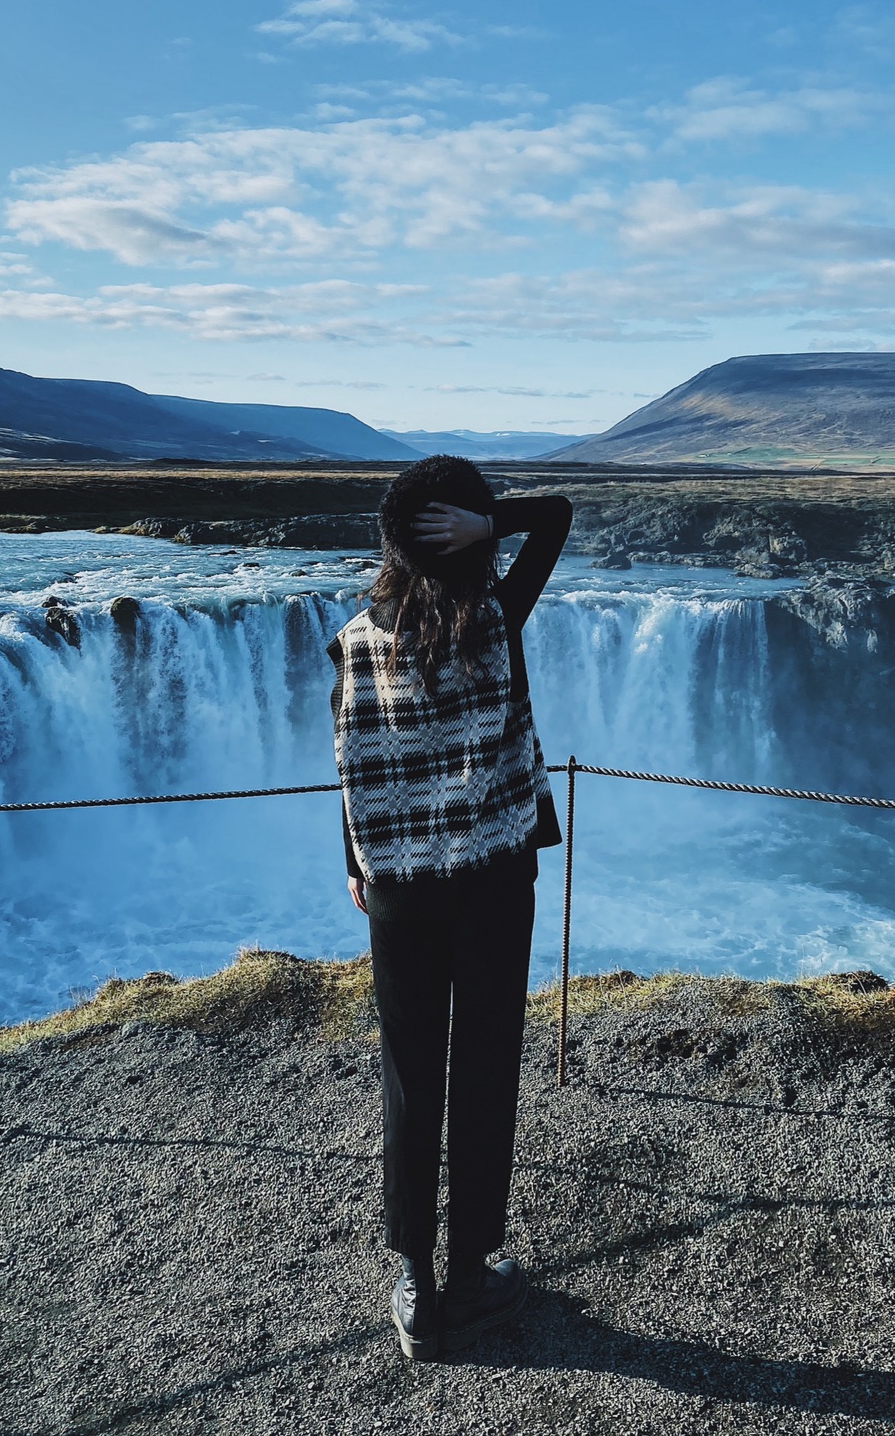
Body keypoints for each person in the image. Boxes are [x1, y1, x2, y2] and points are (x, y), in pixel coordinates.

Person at [328, 455, 573, 1361]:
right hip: (495, 877)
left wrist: (355, 860)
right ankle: (472, 1272)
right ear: (463, 536)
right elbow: (559, 513)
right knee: (483, 1067)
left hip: (397, 890)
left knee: (408, 1076)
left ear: (390, 543)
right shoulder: (498, 615)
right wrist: (490, 525)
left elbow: (350, 752)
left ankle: (413, 1286)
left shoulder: (356, 634)